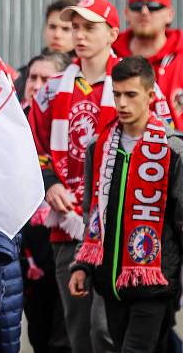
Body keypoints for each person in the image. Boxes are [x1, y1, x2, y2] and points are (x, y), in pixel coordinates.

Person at [29, 0, 128, 353]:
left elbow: (161, 143)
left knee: (109, 329)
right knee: (79, 331)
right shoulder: (53, 88)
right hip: (67, 225)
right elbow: (29, 147)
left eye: (90, 27)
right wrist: (49, 181)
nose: (80, 35)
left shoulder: (132, 82)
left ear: (113, 33)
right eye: (75, 27)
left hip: (118, 228)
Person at [69, 56, 183, 352]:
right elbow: (92, 213)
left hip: (154, 284)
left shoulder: (173, 150)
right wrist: (82, 265)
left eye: (131, 94)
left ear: (150, 95)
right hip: (110, 284)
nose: (121, 103)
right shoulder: (99, 146)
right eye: (116, 94)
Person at [20, 51, 73, 353]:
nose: (36, 84)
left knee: (63, 338)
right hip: (28, 249)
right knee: (38, 334)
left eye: (45, 79)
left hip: (66, 237)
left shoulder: (69, 124)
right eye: (32, 77)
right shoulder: (12, 122)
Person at [113, 0, 183, 129]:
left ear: (170, 14)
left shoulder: (181, 55)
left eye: (153, 6)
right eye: (136, 6)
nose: (144, 12)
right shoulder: (110, 53)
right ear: (126, 13)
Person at [16, 0, 78, 103]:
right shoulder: (24, 75)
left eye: (66, 29)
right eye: (52, 27)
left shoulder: (84, 75)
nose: (57, 35)